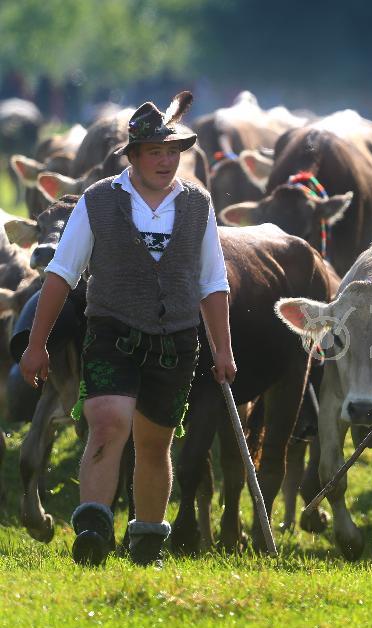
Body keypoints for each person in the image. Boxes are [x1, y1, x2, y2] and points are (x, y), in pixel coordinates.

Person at [19, 91, 234, 567]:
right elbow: (61, 274)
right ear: (132, 156)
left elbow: (212, 281)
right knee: (109, 421)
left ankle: (146, 542)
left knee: (155, 443)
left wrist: (223, 349)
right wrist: (36, 344)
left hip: (176, 340)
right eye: (154, 152)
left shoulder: (197, 204)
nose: (165, 161)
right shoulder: (98, 202)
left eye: (172, 152)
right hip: (111, 331)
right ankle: (93, 526)